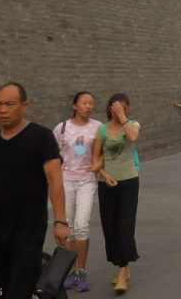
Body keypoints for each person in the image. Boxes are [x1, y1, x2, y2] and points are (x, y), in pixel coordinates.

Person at [0, 83, 68, 299]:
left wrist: (61, 221)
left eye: (9, 104)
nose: (3, 110)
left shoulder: (42, 137)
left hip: (27, 234)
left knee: (19, 292)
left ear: (24, 105)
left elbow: (55, 181)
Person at [91, 93, 141, 294]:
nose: (123, 111)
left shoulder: (133, 124)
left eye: (125, 108)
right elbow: (96, 159)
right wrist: (104, 175)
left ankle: (122, 273)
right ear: (110, 108)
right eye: (119, 108)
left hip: (129, 180)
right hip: (107, 184)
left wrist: (123, 118)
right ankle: (123, 265)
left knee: (125, 225)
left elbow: (133, 137)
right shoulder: (101, 130)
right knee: (110, 226)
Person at [54, 91, 101, 292]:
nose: (88, 106)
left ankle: (81, 270)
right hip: (66, 182)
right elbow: (53, 155)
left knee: (82, 225)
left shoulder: (98, 127)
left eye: (91, 103)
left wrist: (98, 165)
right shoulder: (61, 128)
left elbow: (101, 153)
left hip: (87, 181)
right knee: (69, 227)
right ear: (75, 106)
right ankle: (71, 271)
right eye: (84, 103)